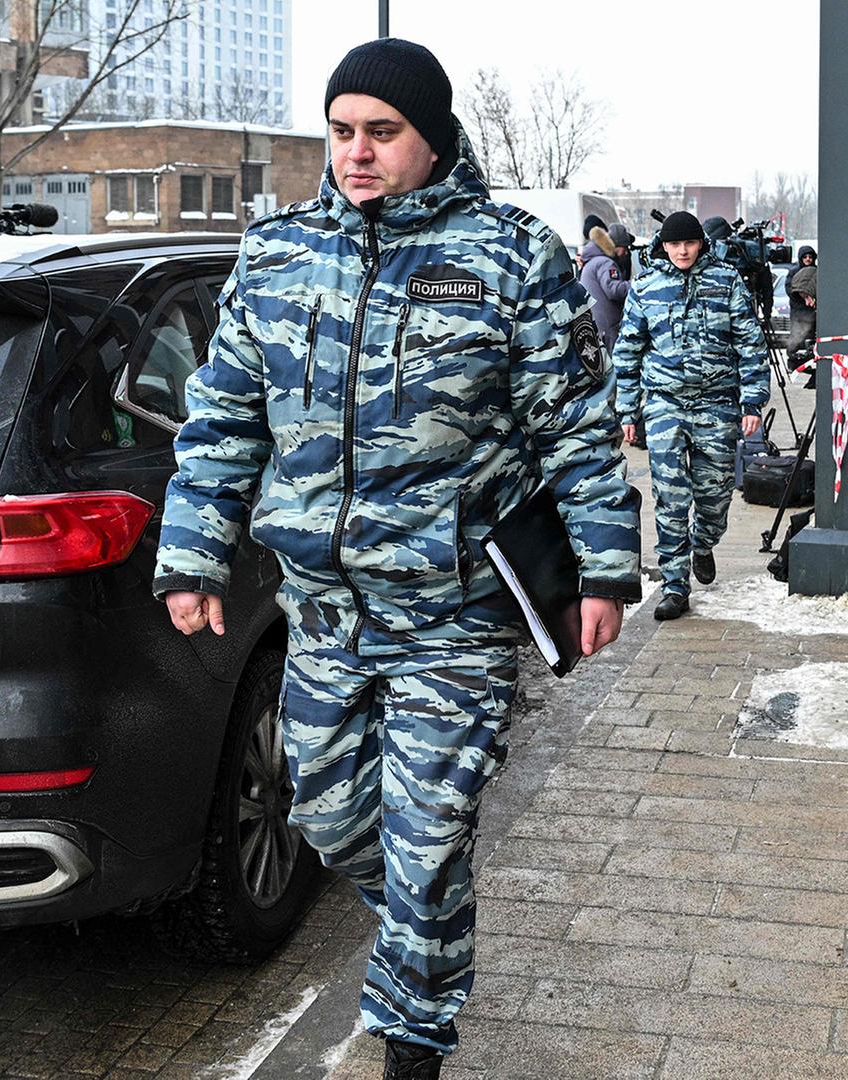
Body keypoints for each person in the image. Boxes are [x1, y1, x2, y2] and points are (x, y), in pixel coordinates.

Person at [153, 38, 641, 1080]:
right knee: (330, 820)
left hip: (454, 619)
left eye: (383, 132)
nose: (357, 153)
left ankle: (413, 1047)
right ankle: (427, 928)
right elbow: (223, 423)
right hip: (323, 617)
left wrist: (604, 571)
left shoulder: (510, 256)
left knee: (424, 845)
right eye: (342, 132)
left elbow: (574, 429)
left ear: (434, 139)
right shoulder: (275, 255)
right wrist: (192, 558)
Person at [613, 210, 768, 621]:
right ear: (663, 245)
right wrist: (627, 410)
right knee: (670, 497)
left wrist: (752, 402)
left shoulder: (725, 280)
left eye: (689, 243)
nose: (682, 251)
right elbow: (626, 352)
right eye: (674, 244)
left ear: (701, 243)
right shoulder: (645, 287)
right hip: (664, 404)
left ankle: (704, 541)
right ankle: (675, 586)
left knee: (715, 496)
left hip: (716, 404)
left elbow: (750, 343)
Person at [581, 222, 636, 345]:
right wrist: (637, 283)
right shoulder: (605, 263)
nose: (626, 252)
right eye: (625, 248)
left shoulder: (593, 261)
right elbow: (614, 290)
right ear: (617, 246)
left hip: (595, 326)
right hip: (607, 329)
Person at [785, 245, 818, 364]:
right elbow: (789, 289)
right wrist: (802, 297)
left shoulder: (817, 271)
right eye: (805, 257)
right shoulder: (794, 272)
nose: (808, 259)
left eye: (810, 257)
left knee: (810, 340)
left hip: (813, 314)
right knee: (797, 339)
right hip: (798, 314)